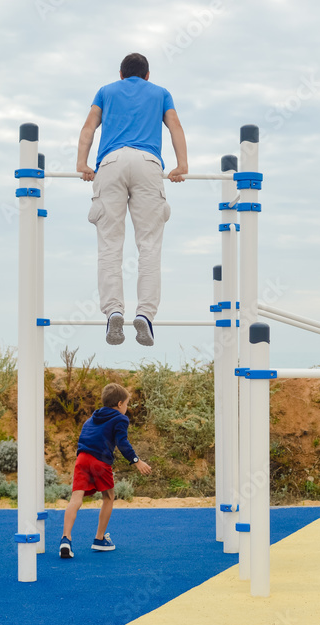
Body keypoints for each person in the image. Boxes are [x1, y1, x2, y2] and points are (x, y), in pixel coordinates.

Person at [76, 52, 189, 347]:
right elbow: (175, 126)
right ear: (147, 75)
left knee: (110, 245)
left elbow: (89, 128)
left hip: (111, 163)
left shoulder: (105, 91)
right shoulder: (161, 93)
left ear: (121, 74)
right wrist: (181, 165)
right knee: (149, 246)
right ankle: (146, 316)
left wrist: (82, 164)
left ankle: (114, 309)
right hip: (149, 164)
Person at [60, 383, 151, 559]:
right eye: (126, 404)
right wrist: (136, 461)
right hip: (99, 462)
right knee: (108, 497)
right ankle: (100, 539)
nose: (126, 408)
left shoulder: (91, 419)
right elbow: (122, 443)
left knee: (75, 499)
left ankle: (66, 539)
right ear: (119, 404)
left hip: (82, 459)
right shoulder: (120, 419)